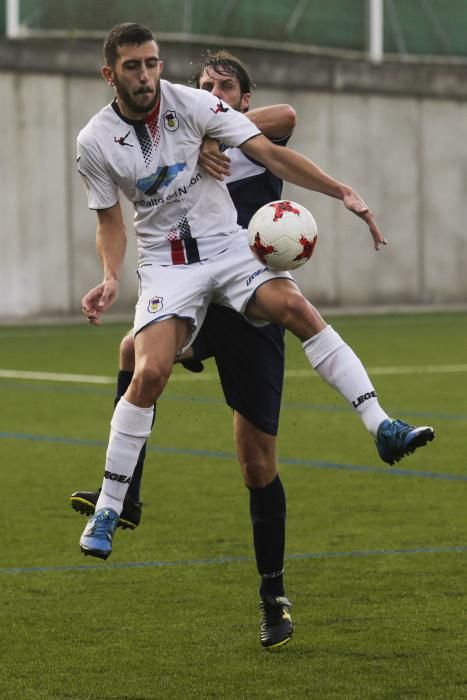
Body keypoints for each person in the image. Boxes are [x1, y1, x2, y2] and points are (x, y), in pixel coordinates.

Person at [76, 22, 434, 641]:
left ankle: (381, 429)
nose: (146, 76)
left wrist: (341, 190)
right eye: (134, 66)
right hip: (171, 267)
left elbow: (274, 137)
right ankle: (114, 504)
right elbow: (110, 219)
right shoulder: (97, 140)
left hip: (233, 260)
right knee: (142, 361)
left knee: (258, 455)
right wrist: (110, 276)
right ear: (112, 73)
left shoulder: (206, 114)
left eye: (153, 64)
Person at [72, 50, 296, 649]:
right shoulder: (182, 134)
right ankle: (125, 496)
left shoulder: (244, 138)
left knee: (257, 464)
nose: (209, 93)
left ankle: (272, 593)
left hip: (247, 307)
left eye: (224, 88)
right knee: (135, 355)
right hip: (192, 295)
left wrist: (211, 124)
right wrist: (191, 139)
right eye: (203, 86)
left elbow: (286, 115)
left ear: (242, 100)